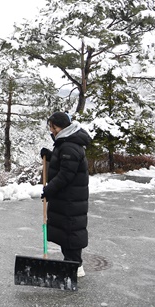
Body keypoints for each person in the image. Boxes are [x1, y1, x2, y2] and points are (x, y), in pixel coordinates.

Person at [40, 111, 92, 278]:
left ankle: (75, 266)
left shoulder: (69, 146)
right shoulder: (66, 142)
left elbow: (65, 175)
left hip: (70, 199)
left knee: (71, 232)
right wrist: (50, 156)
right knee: (67, 231)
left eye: (52, 127)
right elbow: (64, 163)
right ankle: (71, 263)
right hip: (68, 198)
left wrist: (49, 190)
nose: (51, 130)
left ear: (59, 127)